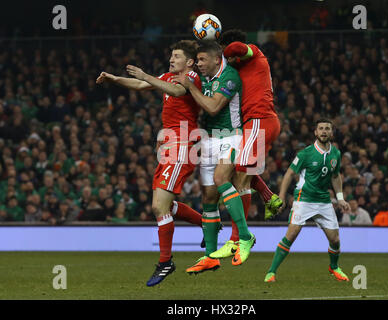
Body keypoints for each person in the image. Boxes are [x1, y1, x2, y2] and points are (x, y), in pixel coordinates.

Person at [96, 40, 203, 287]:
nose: (171, 59)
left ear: (188, 61)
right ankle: (208, 223)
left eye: (176, 56)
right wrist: (115, 79)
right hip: (169, 144)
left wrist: (147, 75)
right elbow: (141, 84)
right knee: (165, 205)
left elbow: (177, 91)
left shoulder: (192, 77)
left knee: (159, 207)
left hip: (183, 142)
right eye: (171, 55)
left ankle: (166, 262)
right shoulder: (167, 76)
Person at [174, 40, 256, 272]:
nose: (198, 64)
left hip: (231, 136)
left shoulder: (229, 76)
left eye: (202, 60)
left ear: (215, 59)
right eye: (197, 60)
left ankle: (245, 237)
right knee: (209, 198)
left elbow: (212, 107)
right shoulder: (203, 77)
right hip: (209, 139)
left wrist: (190, 87)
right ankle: (210, 256)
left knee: (221, 179)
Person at [209, 29, 283, 260]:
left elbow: (238, 48)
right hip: (257, 124)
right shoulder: (241, 68)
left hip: (259, 121)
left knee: (240, 176)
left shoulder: (254, 52)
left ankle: (237, 240)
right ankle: (270, 197)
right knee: (237, 171)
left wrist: (222, 50)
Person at [264, 118, 351, 283]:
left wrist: (340, 198)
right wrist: (282, 196)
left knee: (335, 240)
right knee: (292, 233)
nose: (324, 131)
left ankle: (334, 267)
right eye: (321, 129)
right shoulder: (305, 153)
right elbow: (289, 173)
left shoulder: (336, 154)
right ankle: (271, 272)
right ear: (315, 132)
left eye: (327, 128)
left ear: (331, 132)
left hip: (324, 200)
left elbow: (335, 176)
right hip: (304, 198)